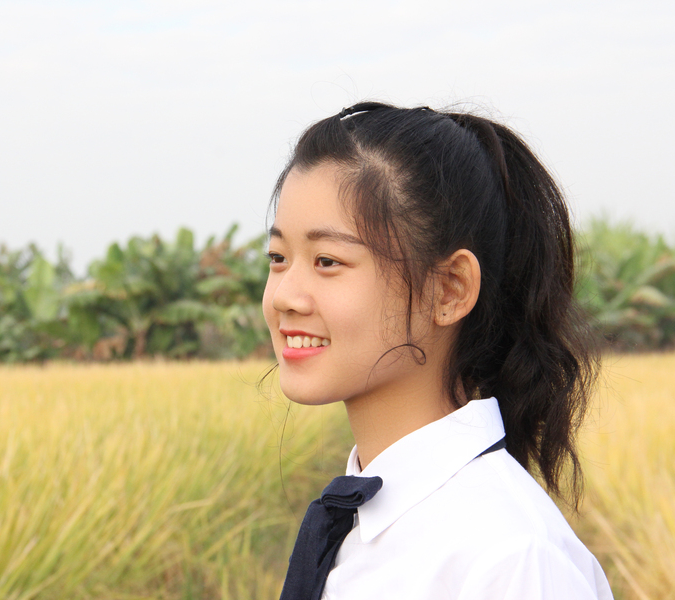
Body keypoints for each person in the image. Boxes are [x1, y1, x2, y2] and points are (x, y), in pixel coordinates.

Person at [262, 102, 613, 600]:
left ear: (448, 290)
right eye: (278, 258)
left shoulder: (510, 558)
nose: (284, 296)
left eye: (327, 261)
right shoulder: (357, 524)